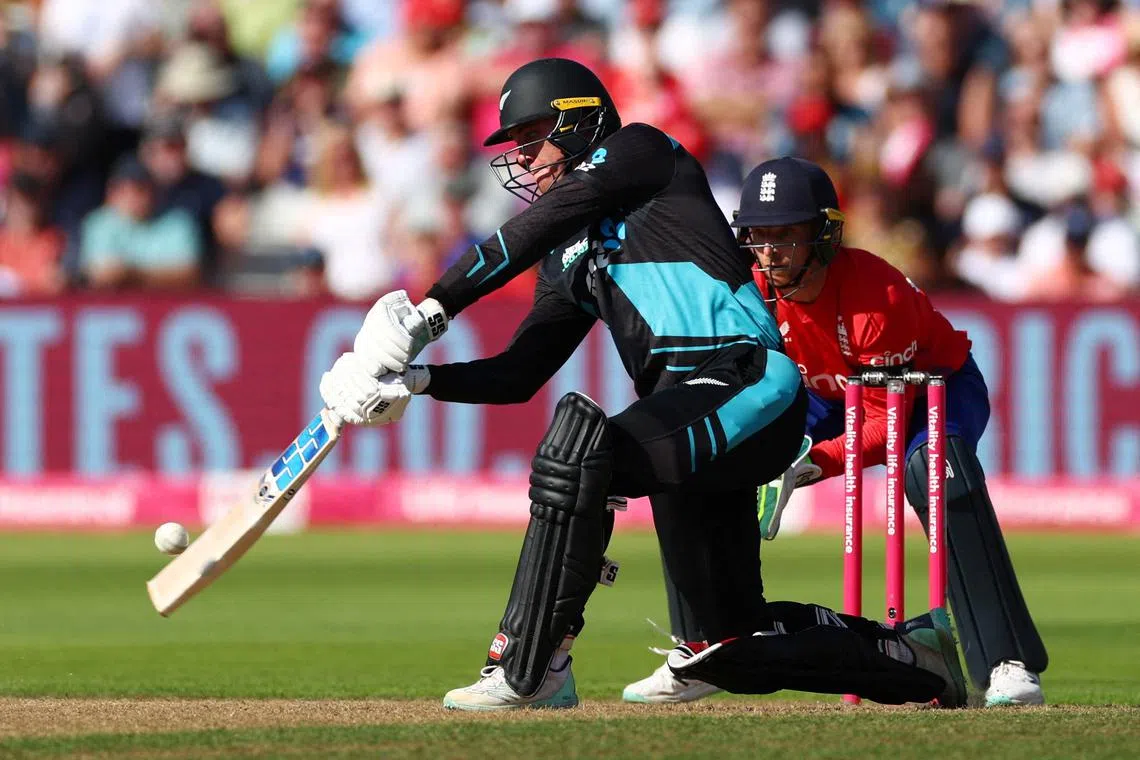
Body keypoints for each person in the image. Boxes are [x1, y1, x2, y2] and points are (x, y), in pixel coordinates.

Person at [318, 59, 967, 711]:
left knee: (580, 450)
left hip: (749, 381)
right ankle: (914, 658)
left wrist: (432, 310)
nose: (525, 158)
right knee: (727, 647)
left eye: (533, 136)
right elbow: (520, 374)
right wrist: (419, 380)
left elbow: (548, 218)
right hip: (688, 418)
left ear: (579, 122)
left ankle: (531, 664)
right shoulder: (567, 256)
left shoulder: (642, 153)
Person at [624, 156, 1047, 708]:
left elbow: (881, 427)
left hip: (927, 392)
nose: (769, 252)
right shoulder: (751, 289)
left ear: (823, 236)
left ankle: (1004, 663)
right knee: (701, 461)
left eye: (786, 237)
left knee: (937, 474)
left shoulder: (878, 299)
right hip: (826, 394)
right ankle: (709, 649)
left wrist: (811, 463)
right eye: (759, 236)